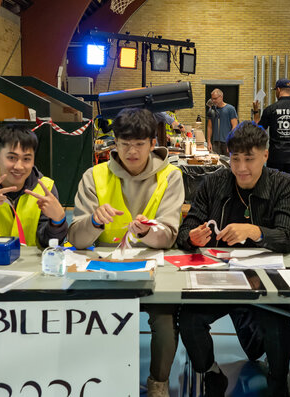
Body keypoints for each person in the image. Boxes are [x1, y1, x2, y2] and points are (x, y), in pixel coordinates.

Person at [67, 108, 184, 397]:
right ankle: (96, 380)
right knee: (82, 315)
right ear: (115, 143)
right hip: (102, 270)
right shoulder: (93, 176)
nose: (132, 151)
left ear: (152, 143)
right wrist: (94, 222)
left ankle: (158, 383)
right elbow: (77, 240)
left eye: (139, 144)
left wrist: (146, 232)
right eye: (124, 143)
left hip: (153, 269)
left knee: (165, 319)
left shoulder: (171, 176)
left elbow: (169, 236)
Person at [177, 121, 290, 397]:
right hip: (220, 278)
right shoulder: (214, 182)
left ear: (265, 155)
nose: (241, 167)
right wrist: (192, 237)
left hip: (265, 280)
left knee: (278, 325)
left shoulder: (282, 183)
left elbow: (287, 237)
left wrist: (255, 231)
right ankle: (211, 373)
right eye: (235, 159)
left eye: (249, 159)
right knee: (190, 320)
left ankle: (278, 383)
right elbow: (186, 230)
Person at [0, 124, 67, 247]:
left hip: (32, 259)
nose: (19, 166)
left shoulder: (46, 189)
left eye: (26, 159)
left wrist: (58, 221)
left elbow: (49, 244)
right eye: (11, 158)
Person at [252, 78, 290, 180]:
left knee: (274, 185)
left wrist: (256, 111)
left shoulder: (270, 109)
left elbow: (258, 131)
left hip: (276, 155)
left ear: (278, 89)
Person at [207, 88, 238, 156]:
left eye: (215, 98)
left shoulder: (230, 109)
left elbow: (235, 126)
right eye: (212, 99)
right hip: (216, 143)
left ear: (221, 97)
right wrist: (209, 142)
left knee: (228, 161)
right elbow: (209, 126)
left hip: (227, 142)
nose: (213, 101)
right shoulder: (212, 110)